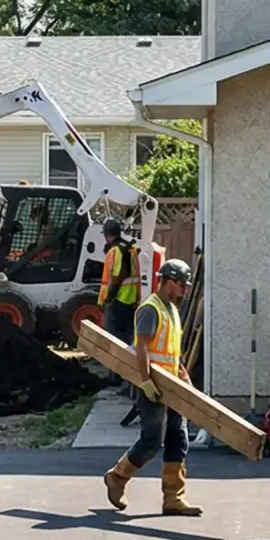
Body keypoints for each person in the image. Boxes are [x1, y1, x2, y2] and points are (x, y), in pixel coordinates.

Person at [103, 258, 201, 517]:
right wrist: (146, 381)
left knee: (177, 438)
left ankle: (174, 498)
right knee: (152, 440)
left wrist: (184, 380)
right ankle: (117, 477)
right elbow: (142, 347)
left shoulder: (172, 310)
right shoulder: (151, 309)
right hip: (153, 387)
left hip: (172, 387)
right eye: (181, 285)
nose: (184, 290)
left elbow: (173, 352)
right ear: (168, 281)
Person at [96, 216, 145, 427]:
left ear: (107, 235)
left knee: (116, 341)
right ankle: (128, 378)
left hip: (119, 302)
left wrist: (108, 298)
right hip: (130, 300)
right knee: (127, 341)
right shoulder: (130, 249)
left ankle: (119, 376)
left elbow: (118, 276)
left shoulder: (116, 251)